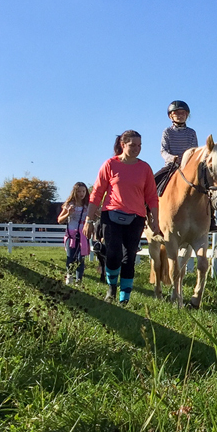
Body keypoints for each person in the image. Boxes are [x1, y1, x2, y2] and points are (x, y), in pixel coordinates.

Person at [85, 130, 161, 304]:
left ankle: (124, 298)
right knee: (113, 254)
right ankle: (112, 288)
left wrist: (156, 219)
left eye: (139, 145)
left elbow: (151, 196)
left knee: (129, 258)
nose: (137, 149)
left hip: (136, 218)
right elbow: (97, 193)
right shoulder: (110, 165)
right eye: (133, 145)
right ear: (122, 144)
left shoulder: (145, 168)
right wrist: (89, 220)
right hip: (111, 215)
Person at [155, 100, 217, 233]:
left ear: (187, 115)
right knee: (155, 181)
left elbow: (194, 150)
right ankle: (148, 214)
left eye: (183, 113)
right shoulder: (167, 132)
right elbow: (163, 150)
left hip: (188, 165)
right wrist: (171, 158)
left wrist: (189, 161)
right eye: (177, 113)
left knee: (207, 187)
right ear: (171, 116)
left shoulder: (191, 132)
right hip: (172, 165)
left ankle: (211, 219)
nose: (180, 115)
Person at [57, 181, 91, 285]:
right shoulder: (69, 205)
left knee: (81, 258)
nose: (82, 194)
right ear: (74, 192)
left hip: (83, 234)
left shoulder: (88, 205)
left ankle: (78, 280)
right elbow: (59, 220)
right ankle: (69, 276)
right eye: (79, 191)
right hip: (71, 234)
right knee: (70, 256)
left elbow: (94, 216)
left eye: (84, 191)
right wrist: (68, 213)